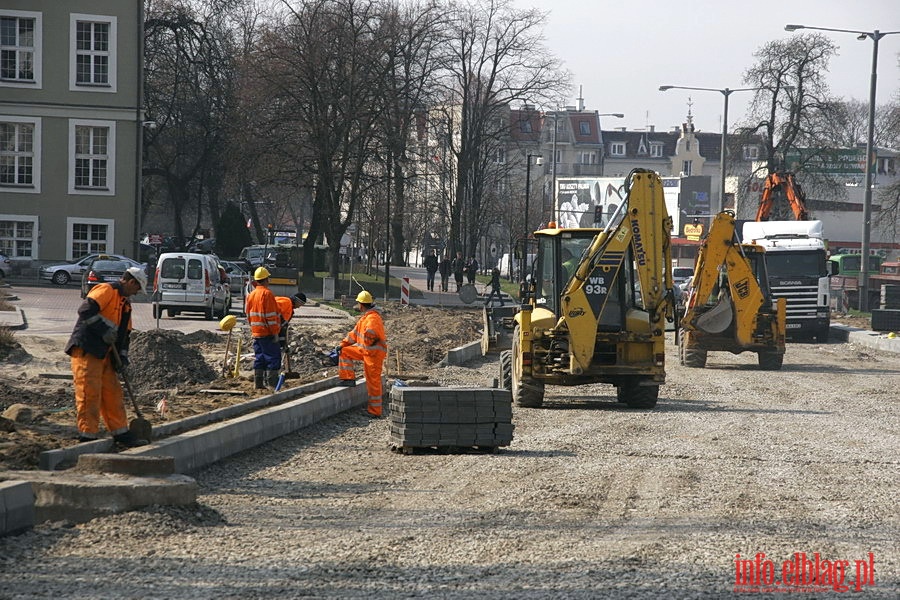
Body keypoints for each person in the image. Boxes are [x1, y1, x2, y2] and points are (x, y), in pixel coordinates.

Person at [65, 267, 149, 447]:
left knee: (113, 394)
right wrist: (104, 330)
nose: (136, 293)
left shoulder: (125, 304)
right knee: (89, 393)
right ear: (131, 282)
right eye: (136, 289)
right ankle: (87, 435)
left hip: (107, 355)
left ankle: (120, 432)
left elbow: (124, 336)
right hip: (87, 350)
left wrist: (123, 358)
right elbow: (86, 311)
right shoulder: (106, 290)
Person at [336, 290, 387, 418]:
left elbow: (371, 334)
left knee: (373, 382)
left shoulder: (373, 318)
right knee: (345, 351)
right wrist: (343, 344)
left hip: (373, 354)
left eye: (358, 303)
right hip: (366, 351)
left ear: (361, 304)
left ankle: (375, 411)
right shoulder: (365, 318)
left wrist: (366, 343)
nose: (357, 305)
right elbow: (353, 334)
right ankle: (348, 379)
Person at [246, 266, 281, 390]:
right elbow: (271, 316)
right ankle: (272, 384)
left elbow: (248, 314)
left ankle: (258, 384)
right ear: (266, 279)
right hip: (267, 333)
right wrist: (275, 333)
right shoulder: (267, 294)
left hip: (256, 332)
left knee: (259, 358)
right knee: (272, 357)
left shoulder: (251, 294)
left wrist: (254, 329)